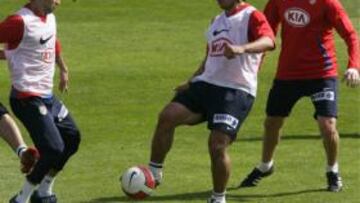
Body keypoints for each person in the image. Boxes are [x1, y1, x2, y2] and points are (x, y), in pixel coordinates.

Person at [147, 0, 275, 202]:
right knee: (167, 116)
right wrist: (190, 81)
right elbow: (209, 59)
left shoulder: (252, 16)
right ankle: (153, 174)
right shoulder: (216, 21)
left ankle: (218, 198)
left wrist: (241, 48)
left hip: (235, 90)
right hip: (206, 84)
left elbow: (269, 41)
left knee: (217, 145)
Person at [239, 0, 359, 192]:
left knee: (327, 125)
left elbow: (350, 35)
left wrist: (353, 65)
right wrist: (255, 67)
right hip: (288, 73)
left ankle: (332, 171)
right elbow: (265, 34)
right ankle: (266, 165)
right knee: (272, 122)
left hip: (322, 73)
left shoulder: (328, 3)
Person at [0, 0, 81, 202]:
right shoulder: (19, 21)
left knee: (72, 138)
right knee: (53, 149)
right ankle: (21, 198)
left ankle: (44, 191)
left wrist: (63, 68)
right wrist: (9, 54)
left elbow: (51, 40)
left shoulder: (50, 18)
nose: (58, 2)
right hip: (27, 99)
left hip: (47, 97)